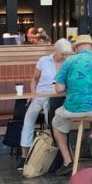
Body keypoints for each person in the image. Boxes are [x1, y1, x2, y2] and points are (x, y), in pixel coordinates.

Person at [50, 35, 92, 176]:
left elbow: (59, 89)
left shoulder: (69, 61)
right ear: (91, 47)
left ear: (76, 47)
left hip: (73, 109)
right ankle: (91, 136)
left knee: (56, 122)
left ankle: (68, 161)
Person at [20, 38, 72, 166]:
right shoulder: (44, 60)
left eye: (67, 54)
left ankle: (54, 154)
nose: (65, 56)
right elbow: (34, 79)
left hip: (57, 96)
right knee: (28, 120)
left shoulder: (68, 63)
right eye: (63, 53)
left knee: (53, 121)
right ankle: (24, 156)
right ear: (56, 50)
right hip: (40, 95)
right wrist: (32, 94)